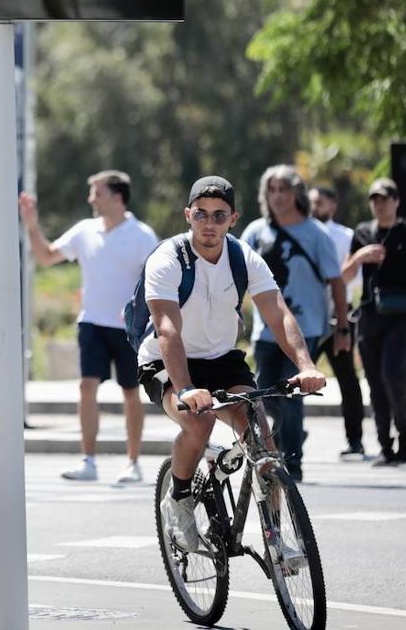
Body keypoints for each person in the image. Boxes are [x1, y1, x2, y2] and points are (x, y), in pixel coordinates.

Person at [136, 177, 325, 550]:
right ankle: (180, 502)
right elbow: (168, 329)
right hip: (166, 361)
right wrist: (187, 388)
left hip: (222, 359)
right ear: (188, 215)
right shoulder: (168, 259)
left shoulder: (242, 257)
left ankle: (276, 538)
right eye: (201, 215)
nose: (209, 224)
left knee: (261, 438)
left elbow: (278, 313)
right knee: (199, 420)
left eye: (219, 216)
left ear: (233, 219)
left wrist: (306, 365)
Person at [20, 170, 158, 483]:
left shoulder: (142, 236)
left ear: (117, 197)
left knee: (130, 391)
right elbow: (46, 256)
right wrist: (31, 225)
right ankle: (88, 461)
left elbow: (157, 280)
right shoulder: (84, 231)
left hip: (129, 330)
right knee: (86, 388)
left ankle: (133, 463)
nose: (90, 199)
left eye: (97, 192)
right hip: (92, 323)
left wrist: (149, 318)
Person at [241, 165, 347, 482]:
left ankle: (293, 465)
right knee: (263, 399)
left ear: (297, 194)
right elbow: (234, 277)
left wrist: (342, 328)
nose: (277, 197)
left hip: (305, 330)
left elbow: (337, 282)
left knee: (293, 396)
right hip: (264, 331)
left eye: (283, 190)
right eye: (272, 190)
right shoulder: (256, 232)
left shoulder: (316, 233)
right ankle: (281, 448)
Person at [342, 177, 406, 466]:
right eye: (374, 199)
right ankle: (385, 446)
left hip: (401, 316)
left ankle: (405, 440)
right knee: (374, 382)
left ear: (396, 201)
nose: (379, 204)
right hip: (370, 316)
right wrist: (360, 257)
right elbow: (343, 276)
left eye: (384, 198)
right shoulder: (362, 232)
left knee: (391, 375)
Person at [310, 185, 368, 458]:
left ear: (332, 206)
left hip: (338, 318)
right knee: (288, 379)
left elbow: (351, 278)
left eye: (319, 202)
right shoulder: (300, 233)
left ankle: (355, 440)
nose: (314, 206)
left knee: (347, 379)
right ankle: (290, 433)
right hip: (306, 320)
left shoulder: (345, 237)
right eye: (310, 202)